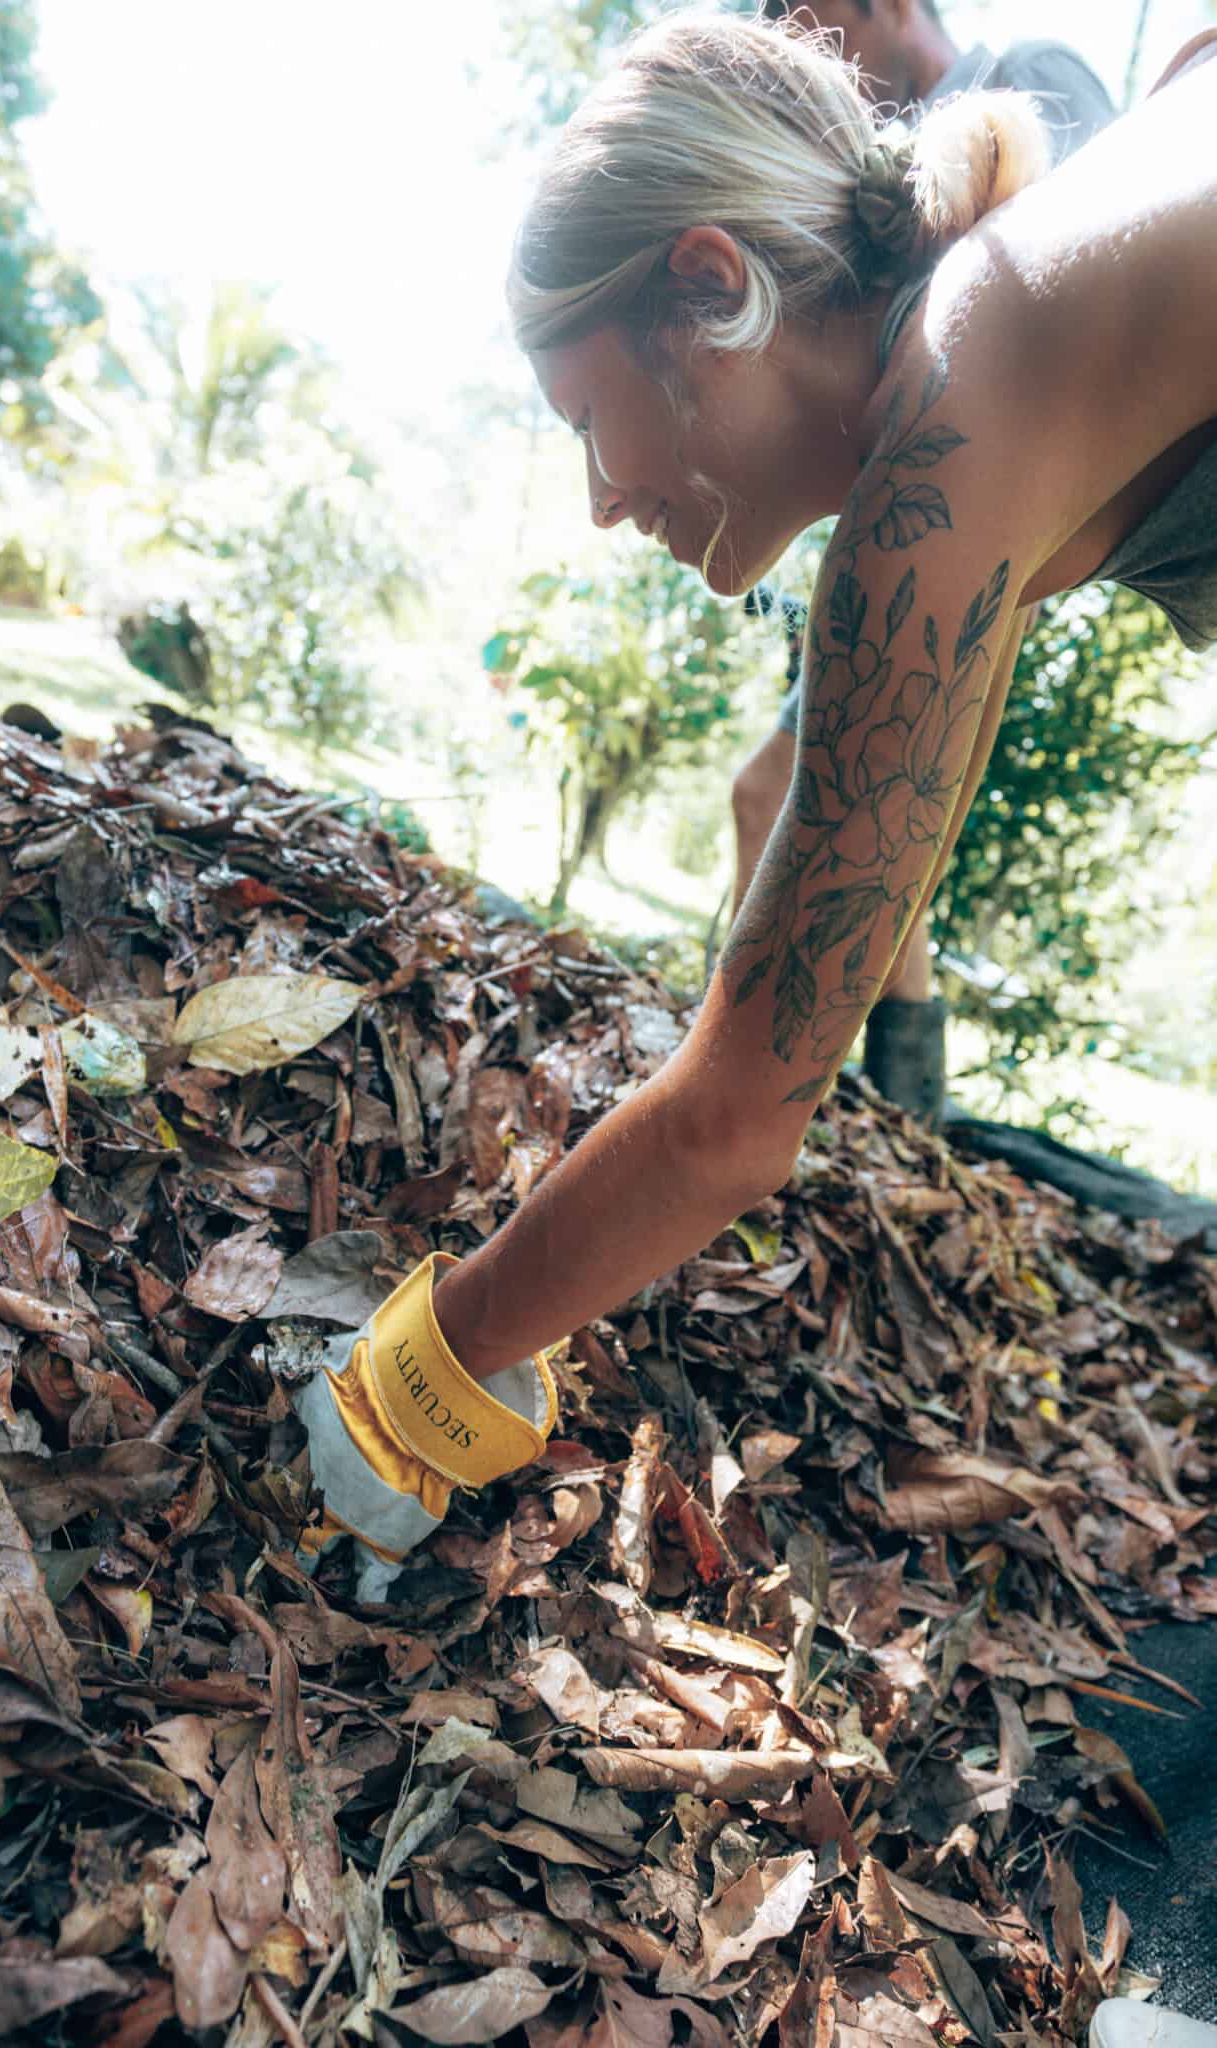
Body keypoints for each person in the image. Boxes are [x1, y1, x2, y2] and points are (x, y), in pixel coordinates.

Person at [300, 10, 1217, 1625]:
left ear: (713, 289)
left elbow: (736, 1117)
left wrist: (418, 1367)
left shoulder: (960, 398)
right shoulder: (1002, 353)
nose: (598, 498)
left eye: (583, 421)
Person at [740, 0, 1115, 1122]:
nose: (783, 44)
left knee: (786, 798)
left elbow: (1091, 325)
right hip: (943, 541)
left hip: (988, 539)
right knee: (851, 822)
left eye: (786, 16)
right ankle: (885, 1114)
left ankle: (822, 1103)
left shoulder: (1028, 75)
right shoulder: (868, 173)